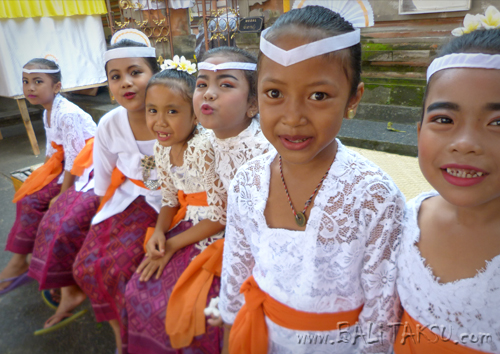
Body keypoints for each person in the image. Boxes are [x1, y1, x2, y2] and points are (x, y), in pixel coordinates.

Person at [219, 3, 405, 354]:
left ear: (353, 99)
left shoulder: (374, 196)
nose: (293, 117)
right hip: (260, 337)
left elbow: (380, 319)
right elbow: (236, 272)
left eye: (318, 96)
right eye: (275, 93)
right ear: (256, 95)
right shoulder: (247, 182)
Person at [394, 13, 500, 353]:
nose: (466, 142)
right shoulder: (404, 219)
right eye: (444, 119)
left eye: (498, 122)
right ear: (418, 130)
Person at [158, 46, 274, 353]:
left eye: (225, 84)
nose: (208, 94)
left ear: (253, 104)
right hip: (224, 232)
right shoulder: (206, 141)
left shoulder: (264, 154)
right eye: (202, 84)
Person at [124, 61, 227, 354]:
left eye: (172, 111)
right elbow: (170, 198)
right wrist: (159, 231)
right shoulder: (161, 147)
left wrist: (171, 245)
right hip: (185, 225)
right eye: (152, 110)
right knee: (137, 289)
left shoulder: (203, 148)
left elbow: (221, 216)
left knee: (193, 305)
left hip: (215, 231)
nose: (159, 121)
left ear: (195, 115)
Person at [72, 29, 161, 354]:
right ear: (108, 86)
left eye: (135, 72)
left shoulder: (177, 117)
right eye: (115, 76)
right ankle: (118, 332)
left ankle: (134, 333)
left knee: (125, 270)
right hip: (129, 197)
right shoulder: (110, 123)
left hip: (171, 206)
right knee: (88, 263)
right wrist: (102, 216)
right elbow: (104, 171)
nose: (126, 82)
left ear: (155, 73)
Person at [0, 58, 96, 296]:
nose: (30, 88)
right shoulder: (48, 112)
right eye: (26, 82)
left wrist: (62, 194)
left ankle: (41, 266)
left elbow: (76, 158)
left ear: (56, 87)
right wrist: (41, 175)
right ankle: (22, 259)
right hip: (68, 164)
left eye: (38, 81)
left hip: (89, 166)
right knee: (29, 196)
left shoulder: (67, 114)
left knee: (47, 205)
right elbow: (53, 150)